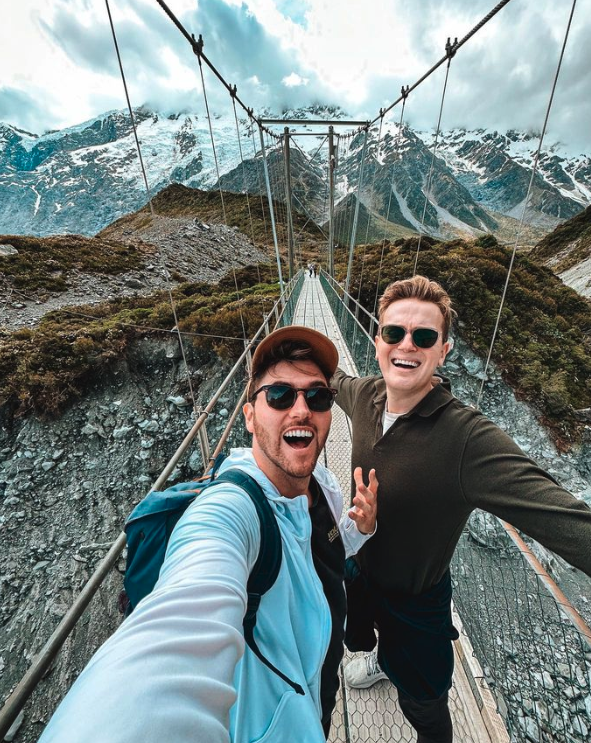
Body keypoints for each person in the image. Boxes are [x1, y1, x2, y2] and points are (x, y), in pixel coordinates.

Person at [40, 326, 378, 743]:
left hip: (316, 696)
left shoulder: (322, 483)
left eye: (318, 396)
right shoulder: (233, 509)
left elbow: (316, 553)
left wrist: (359, 531)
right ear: (249, 417)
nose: (301, 409)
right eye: (279, 395)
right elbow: (180, 622)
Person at [332, 275, 591, 743]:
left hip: (416, 601)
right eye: (394, 333)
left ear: (443, 351)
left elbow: (561, 515)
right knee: (361, 636)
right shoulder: (365, 394)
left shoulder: (466, 440)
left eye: (424, 336)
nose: (406, 345)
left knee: (424, 703)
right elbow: (333, 378)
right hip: (362, 568)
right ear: (377, 343)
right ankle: (380, 658)